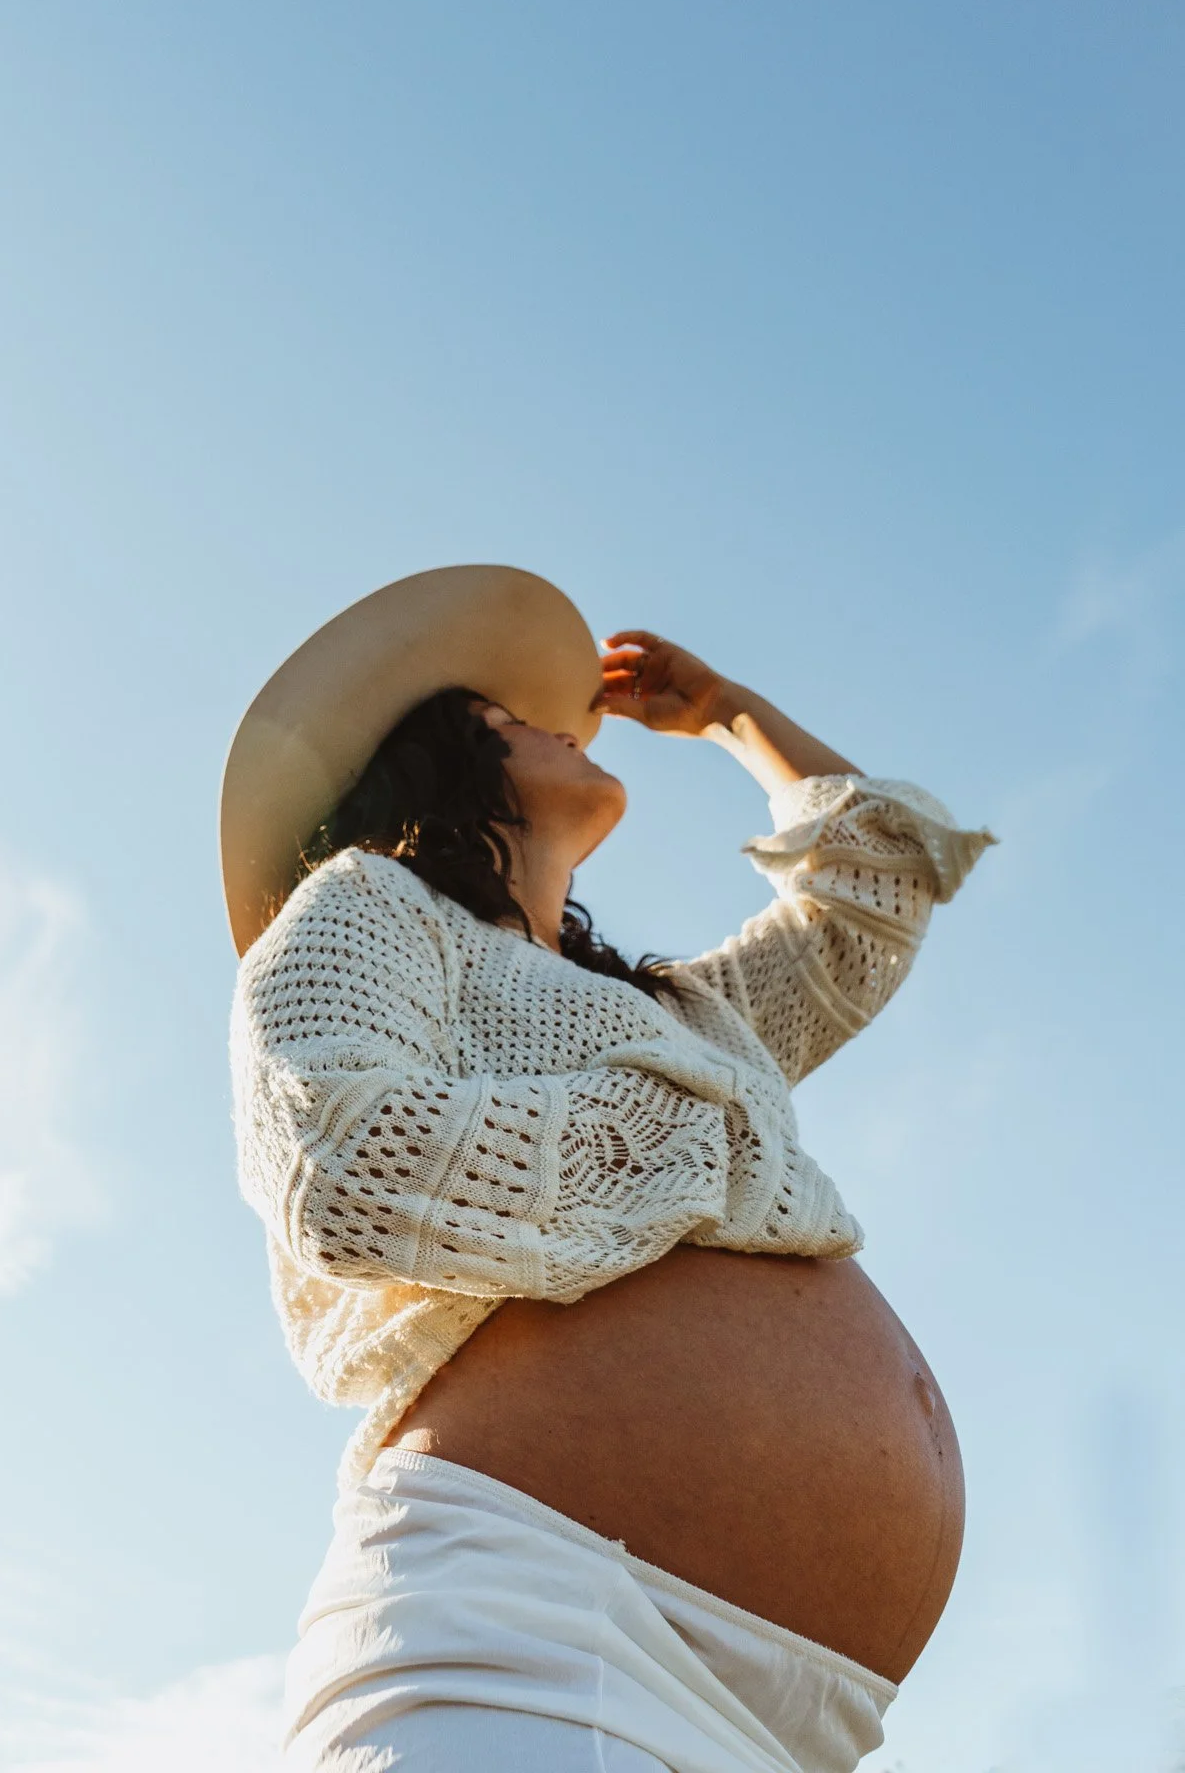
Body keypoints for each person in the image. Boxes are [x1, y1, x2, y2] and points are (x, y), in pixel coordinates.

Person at [221, 565, 994, 1773]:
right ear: (438, 768)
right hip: (531, 1625)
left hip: (791, 1721)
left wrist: (730, 710)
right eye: (505, 717)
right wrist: (713, 1130)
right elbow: (348, 1162)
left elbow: (877, 881)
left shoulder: (682, 1014)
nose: (552, 719)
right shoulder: (368, 902)